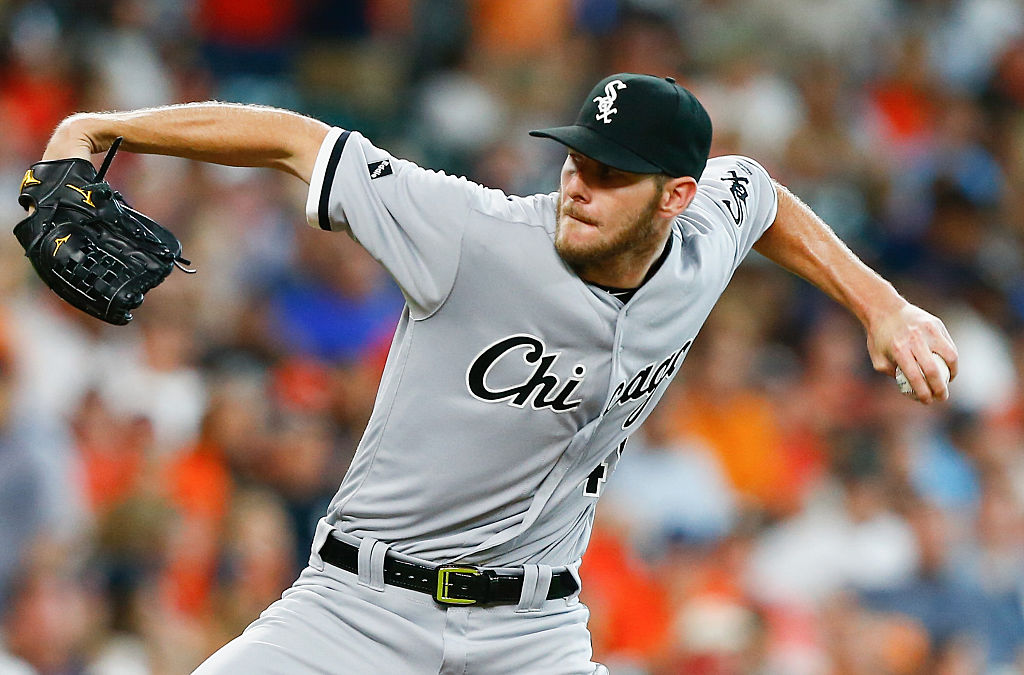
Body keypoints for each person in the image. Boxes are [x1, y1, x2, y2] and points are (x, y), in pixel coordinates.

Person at [38, 73, 958, 674]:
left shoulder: (702, 243)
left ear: (676, 197)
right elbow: (292, 140)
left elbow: (756, 191)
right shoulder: (469, 231)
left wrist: (880, 303)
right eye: (575, 160)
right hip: (361, 609)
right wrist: (103, 125)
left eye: (611, 173)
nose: (577, 184)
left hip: (533, 633)